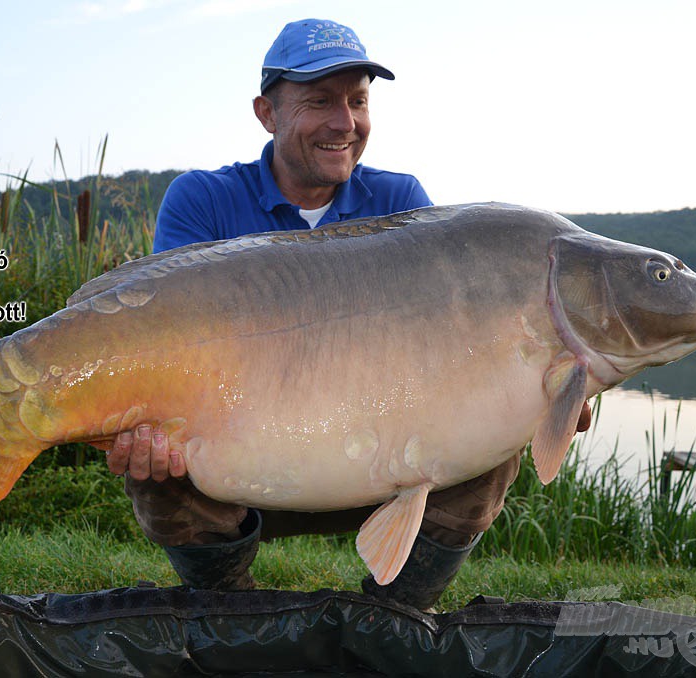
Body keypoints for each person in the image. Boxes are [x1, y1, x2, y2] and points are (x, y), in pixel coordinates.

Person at [102, 18, 592, 611]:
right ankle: (229, 611)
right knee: (160, 467)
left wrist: (542, 389)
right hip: (239, 470)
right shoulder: (202, 200)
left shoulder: (402, 204)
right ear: (266, 113)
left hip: (378, 463)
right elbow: (159, 346)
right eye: (319, 102)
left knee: (491, 453)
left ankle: (398, 614)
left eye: (358, 101)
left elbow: (452, 349)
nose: (344, 123)